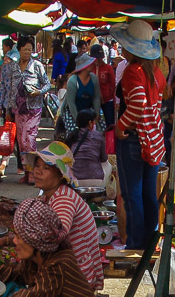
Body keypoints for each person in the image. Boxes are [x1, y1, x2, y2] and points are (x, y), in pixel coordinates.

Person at [0, 142, 104, 291]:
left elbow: (54, 237)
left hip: (77, 275)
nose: (37, 172)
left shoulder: (64, 198)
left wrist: (16, 243)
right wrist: (5, 241)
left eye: (46, 168)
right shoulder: (46, 197)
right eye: (37, 166)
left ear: (60, 175)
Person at [112, 20, 166, 250]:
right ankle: (149, 240)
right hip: (153, 139)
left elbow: (137, 104)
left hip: (134, 138)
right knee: (147, 194)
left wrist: (120, 127)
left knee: (132, 194)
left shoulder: (133, 71)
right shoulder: (156, 71)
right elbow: (153, 105)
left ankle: (136, 244)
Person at [9, 36, 51, 185]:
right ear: (19, 50)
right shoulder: (13, 67)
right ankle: (27, 172)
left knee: (29, 138)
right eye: (24, 49)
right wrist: (7, 107)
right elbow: (10, 88)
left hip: (33, 108)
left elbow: (47, 85)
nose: (27, 52)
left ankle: (33, 173)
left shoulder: (37, 65)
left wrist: (38, 92)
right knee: (21, 141)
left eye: (29, 50)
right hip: (18, 109)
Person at [60, 53, 101, 136]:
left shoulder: (93, 78)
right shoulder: (72, 81)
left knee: (100, 130)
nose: (93, 65)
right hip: (73, 111)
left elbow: (96, 97)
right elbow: (71, 103)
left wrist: (97, 114)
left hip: (88, 110)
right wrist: (78, 120)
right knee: (73, 132)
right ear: (85, 67)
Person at [67, 109, 108, 186]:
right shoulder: (98, 135)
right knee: (107, 165)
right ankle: (102, 190)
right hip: (96, 181)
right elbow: (104, 158)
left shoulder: (72, 136)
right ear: (90, 123)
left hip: (75, 181)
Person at [90, 43, 117, 148]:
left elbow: (113, 84)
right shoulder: (90, 68)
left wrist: (110, 97)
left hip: (107, 100)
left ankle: (110, 146)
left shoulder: (108, 68)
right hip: (93, 100)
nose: (98, 60)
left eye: (99, 58)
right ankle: (93, 145)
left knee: (110, 124)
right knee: (93, 122)